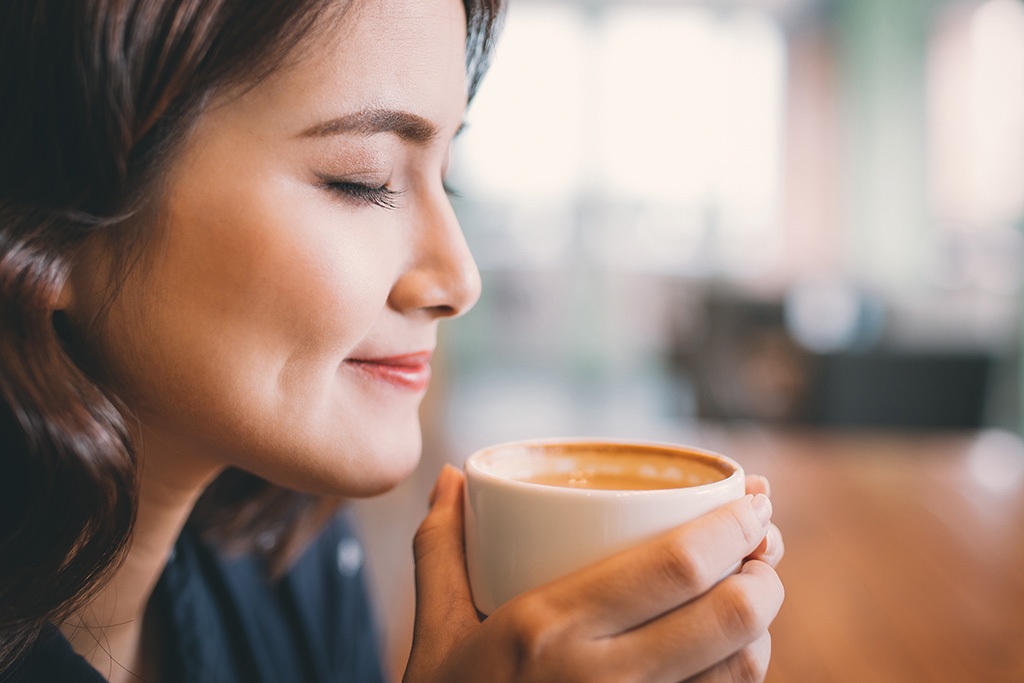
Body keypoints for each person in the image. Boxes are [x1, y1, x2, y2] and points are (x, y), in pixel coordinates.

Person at [0, 0, 785, 681]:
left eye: (445, 173)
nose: (459, 278)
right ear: (50, 217)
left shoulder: (295, 561)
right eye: (363, 178)